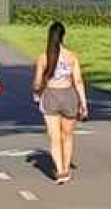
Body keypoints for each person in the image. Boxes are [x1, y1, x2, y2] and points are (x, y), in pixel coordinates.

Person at [32, 21, 88, 185]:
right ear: (63, 36)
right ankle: (66, 167)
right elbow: (78, 80)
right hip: (69, 95)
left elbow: (37, 83)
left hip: (51, 95)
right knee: (68, 136)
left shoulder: (44, 57)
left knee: (54, 137)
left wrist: (37, 90)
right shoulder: (71, 56)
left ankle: (60, 170)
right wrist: (83, 103)